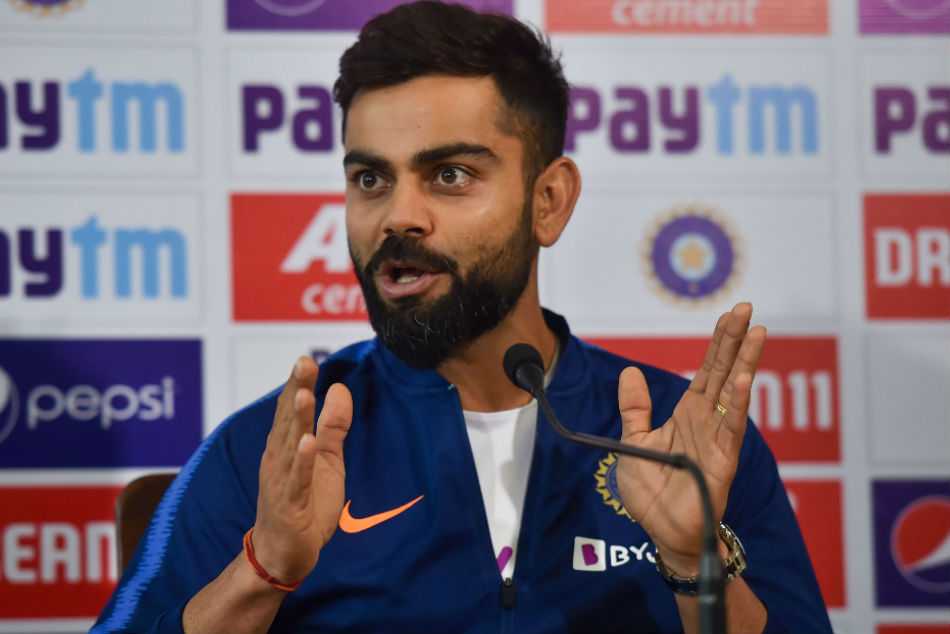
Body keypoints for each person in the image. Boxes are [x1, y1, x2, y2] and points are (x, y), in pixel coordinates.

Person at [92, 2, 832, 633]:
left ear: (549, 201)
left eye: (450, 175)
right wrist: (263, 572)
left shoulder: (683, 438)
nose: (398, 216)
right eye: (371, 178)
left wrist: (693, 560)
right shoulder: (276, 449)